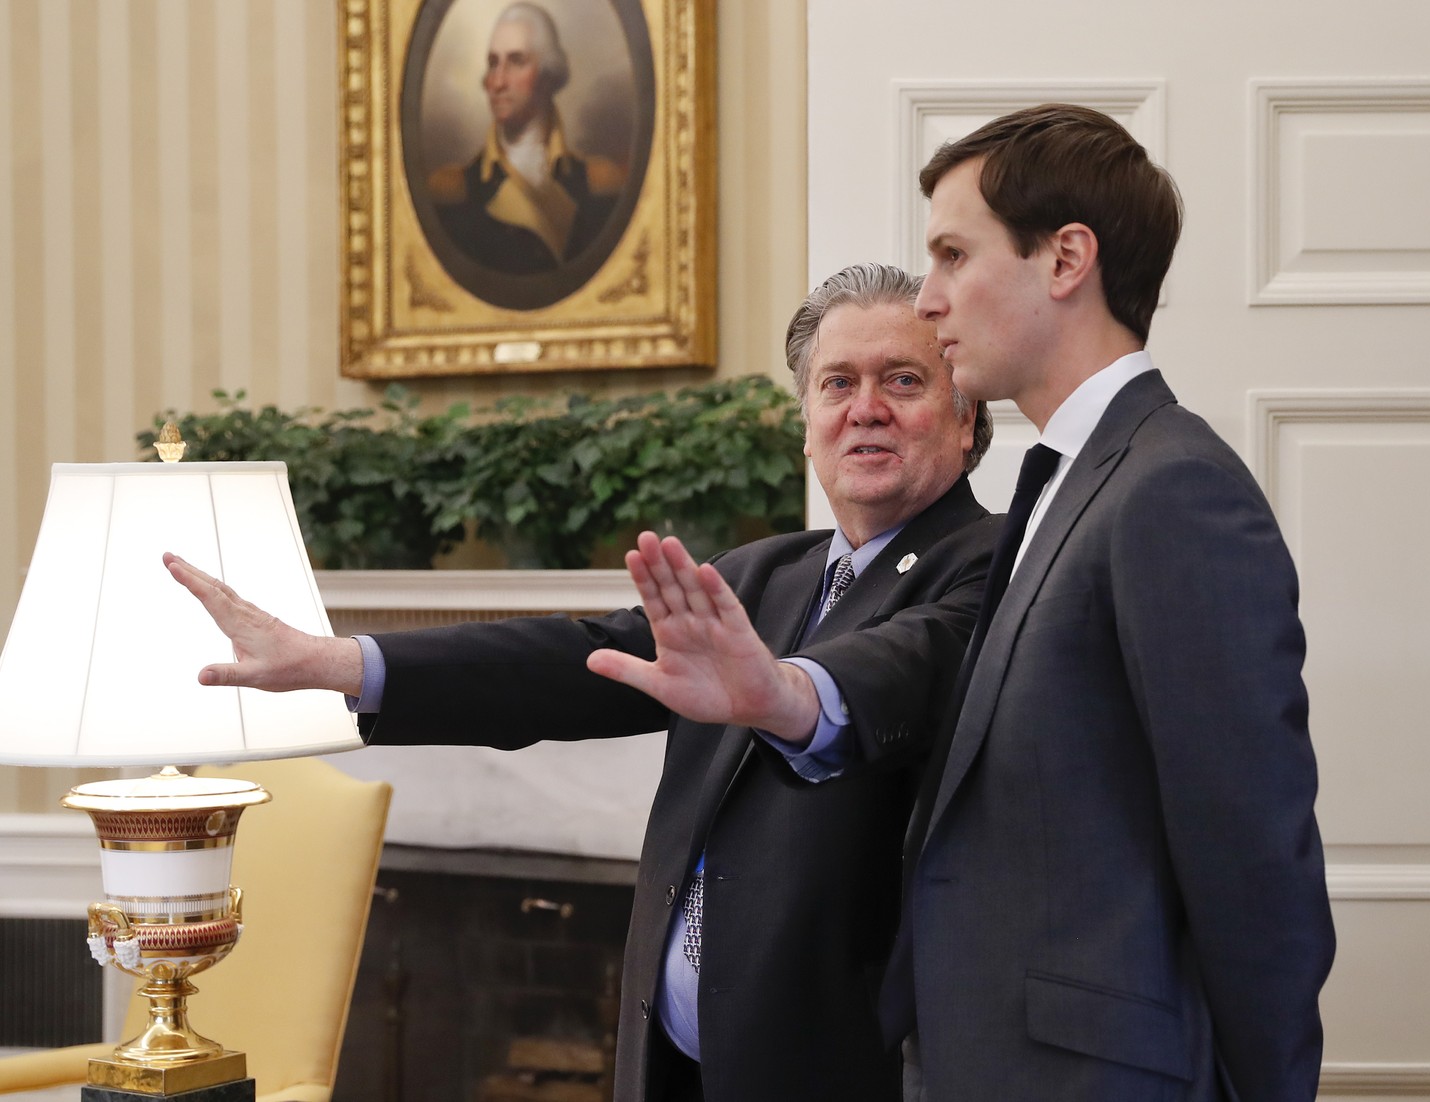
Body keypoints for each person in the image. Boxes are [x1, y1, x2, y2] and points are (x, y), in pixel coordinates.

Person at [590, 105, 1336, 1100]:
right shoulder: (1065, 485)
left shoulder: (1170, 488)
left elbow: (1254, 863)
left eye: (952, 255)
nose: (931, 300)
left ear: (1066, 258)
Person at [165, 262, 999, 1102]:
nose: (866, 408)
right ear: (807, 425)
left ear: (966, 419)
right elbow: (571, 662)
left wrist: (785, 693)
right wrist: (337, 663)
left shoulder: (996, 567)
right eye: (837, 384)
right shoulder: (765, 577)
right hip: (674, 1067)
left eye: (903, 380)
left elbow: (903, 666)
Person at [428, 2, 625, 274]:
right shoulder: (452, 191)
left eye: (516, 62)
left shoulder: (600, 183)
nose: (496, 82)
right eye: (493, 63)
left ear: (547, 73)